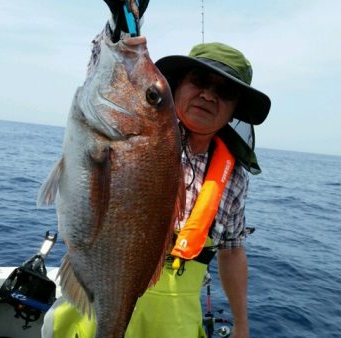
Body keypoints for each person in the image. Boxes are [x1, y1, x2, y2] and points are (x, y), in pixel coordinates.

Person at [42, 2, 271, 338]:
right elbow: (107, 70)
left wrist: (241, 323)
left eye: (225, 91)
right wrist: (121, 21)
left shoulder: (232, 175)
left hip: (173, 327)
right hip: (90, 313)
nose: (209, 95)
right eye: (199, 81)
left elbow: (233, 248)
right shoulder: (144, 132)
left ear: (235, 109)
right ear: (176, 86)